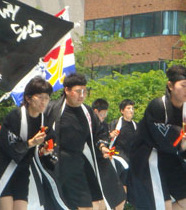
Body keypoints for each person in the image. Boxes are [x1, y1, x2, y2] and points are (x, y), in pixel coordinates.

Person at [129, 65, 186, 210]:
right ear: (170, 85)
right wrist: (182, 134)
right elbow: (161, 138)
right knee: (161, 205)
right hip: (150, 159)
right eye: (183, 86)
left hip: (172, 160)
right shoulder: (157, 106)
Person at [0, 76, 67, 210]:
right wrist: (31, 143)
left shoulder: (44, 120)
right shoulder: (15, 116)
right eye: (40, 97)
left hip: (22, 169)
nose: (44, 102)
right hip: (1, 168)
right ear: (28, 98)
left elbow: (49, 142)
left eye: (47, 98)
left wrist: (45, 151)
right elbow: (9, 146)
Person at [44, 73, 125, 210]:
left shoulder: (87, 111)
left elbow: (99, 132)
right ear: (67, 90)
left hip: (86, 159)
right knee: (82, 205)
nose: (82, 95)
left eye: (84, 91)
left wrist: (103, 146)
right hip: (62, 162)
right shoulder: (53, 110)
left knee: (111, 200)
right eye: (78, 91)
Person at [91, 98, 126, 210]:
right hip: (93, 164)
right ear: (95, 111)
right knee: (99, 199)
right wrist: (102, 149)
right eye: (102, 114)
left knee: (119, 196)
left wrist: (105, 147)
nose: (104, 116)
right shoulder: (88, 125)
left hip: (105, 161)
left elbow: (103, 140)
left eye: (106, 113)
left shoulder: (104, 125)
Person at [109, 99, 137, 190]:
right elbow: (106, 138)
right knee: (125, 168)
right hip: (117, 153)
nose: (131, 110)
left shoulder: (136, 126)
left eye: (132, 108)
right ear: (122, 111)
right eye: (128, 108)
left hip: (130, 155)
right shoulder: (115, 124)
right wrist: (110, 135)